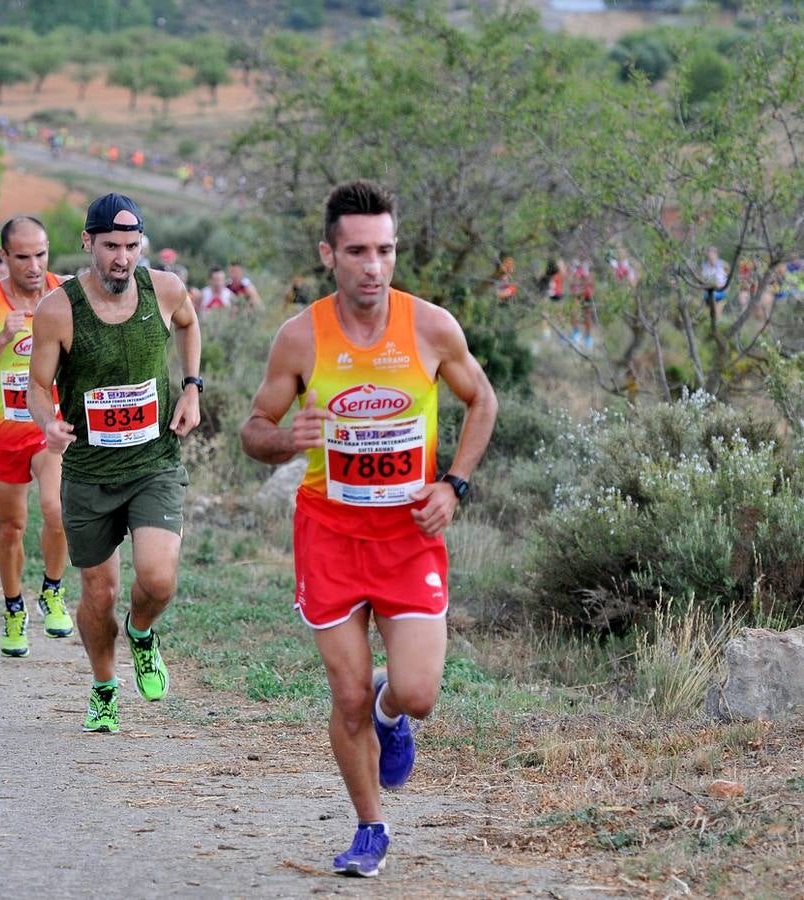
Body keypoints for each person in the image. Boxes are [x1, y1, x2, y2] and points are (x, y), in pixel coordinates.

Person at [239, 180, 497, 878]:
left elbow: (482, 400)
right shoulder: (300, 338)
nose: (373, 266)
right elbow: (253, 429)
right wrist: (286, 440)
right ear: (330, 255)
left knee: (417, 693)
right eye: (357, 251)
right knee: (346, 695)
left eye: (384, 250)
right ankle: (369, 827)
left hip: (409, 535)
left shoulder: (431, 328)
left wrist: (454, 483)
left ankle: (392, 711)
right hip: (329, 534)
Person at [27, 193, 201, 735]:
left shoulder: (164, 289)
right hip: (89, 473)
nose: (122, 258)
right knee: (98, 595)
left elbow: (189, 324)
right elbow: (37, 386)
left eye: (131, 245)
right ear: (88, 242)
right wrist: (48, 423)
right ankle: (104, 688)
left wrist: (192, 387)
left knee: (159, 579)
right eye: (110, 246)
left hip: (154, 463)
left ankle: (142, 633)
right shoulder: (58, 309)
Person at [0, 217, 72, 657]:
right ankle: (12, 608)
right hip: (4, 431)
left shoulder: (65, 295)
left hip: (50, 430)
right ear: (4, 256)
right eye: (22, 257)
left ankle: (53, 590)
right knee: (11, 528)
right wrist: (1, 339)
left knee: (56, 509)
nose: (34, 265)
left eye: (41, 254)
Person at [701, 246, 729, 321]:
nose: (711, 254)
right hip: (708, 292)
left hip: (720, 291)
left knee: (717, 313)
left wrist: (726, 289)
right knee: (709, 314)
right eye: (709, 252)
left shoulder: (723, 264)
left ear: (716, 254)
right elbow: (702, 279)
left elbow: (728, 277)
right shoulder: (704, 265)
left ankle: (718, 321)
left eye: (713, 252)